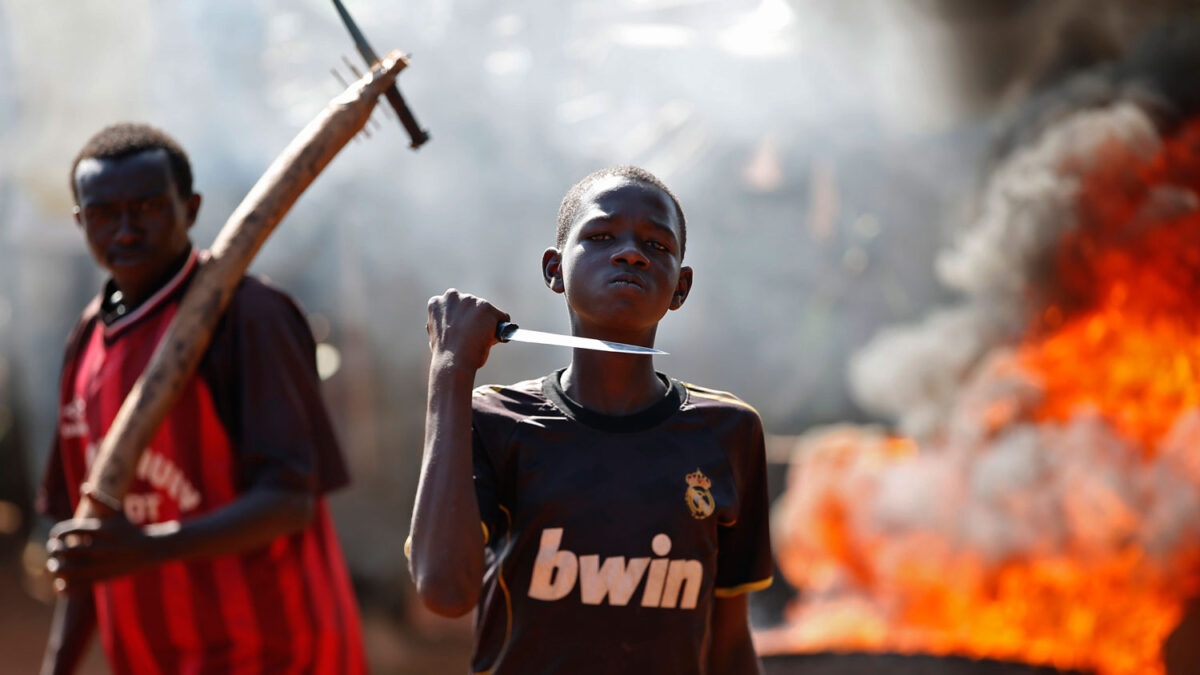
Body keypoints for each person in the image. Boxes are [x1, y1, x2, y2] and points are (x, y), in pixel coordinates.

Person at [410, 166, 773, 674]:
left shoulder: (729, 432)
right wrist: (450, 370)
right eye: (601, 237)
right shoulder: (495, 421)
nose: (631, 253)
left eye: (658, 245)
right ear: (554, 270)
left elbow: (730, 646)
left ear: (681, 287)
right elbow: (446, 592)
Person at [37, 122, 367, 675]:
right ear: (79, 222)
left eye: (146, 207)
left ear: (189, 208)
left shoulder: (248, 316)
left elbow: (290, 502)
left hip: (275, 653)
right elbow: (88, 546)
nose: (124, 230)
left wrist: (148, 547)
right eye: (103, 214)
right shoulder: (86, 341)